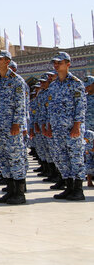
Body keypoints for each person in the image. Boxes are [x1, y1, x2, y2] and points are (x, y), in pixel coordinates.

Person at [0, 50, 28, 205]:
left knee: (15, 158)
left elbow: (20, 104)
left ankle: (19, 193)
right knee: (3, 159)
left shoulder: (17, 81)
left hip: (12, 127)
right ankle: (10, 191)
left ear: (7, 61)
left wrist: (17, 123)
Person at [46, 52, 87, 201]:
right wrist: (49, 125)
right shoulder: (53, 85)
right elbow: (51, 108)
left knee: (75, 158)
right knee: (61, 158)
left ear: (68, 64)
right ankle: (69, 187)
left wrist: (77, 125)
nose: (56, 65)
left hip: (72, 129)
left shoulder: (76, 83)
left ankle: (78, 189)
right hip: (57, 129)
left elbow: (81, 106)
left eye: (59, 62)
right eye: (54, 63)